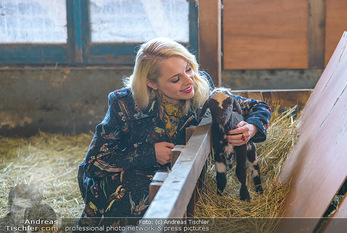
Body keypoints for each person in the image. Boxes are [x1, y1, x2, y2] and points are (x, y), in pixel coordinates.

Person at [75, 37, 271, 230]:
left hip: (176, 183)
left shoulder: (201, 85)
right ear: (151, 83)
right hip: (123, 183)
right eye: (175, 79)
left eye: (188, 69)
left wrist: (251, 128)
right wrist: (150, 153)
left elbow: (257, 107)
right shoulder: (124, 103)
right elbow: (94, 163)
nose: (188, 81)